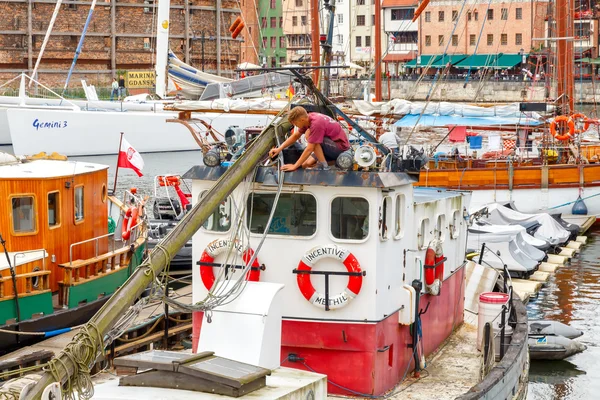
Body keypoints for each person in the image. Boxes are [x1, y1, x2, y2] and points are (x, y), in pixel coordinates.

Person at [269, 107, 350, 171]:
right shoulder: (309, 118)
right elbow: (296, 136)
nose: (296, 126)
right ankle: (325, 162)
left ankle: (325, 166)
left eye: (295, 123)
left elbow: (310, 148)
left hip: (340, 148)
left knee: (309, 135)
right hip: (330, 145)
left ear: (302, 120)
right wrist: (279, 149)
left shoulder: (316, 124)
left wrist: (295, 166)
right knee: (305, 164)